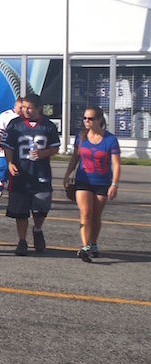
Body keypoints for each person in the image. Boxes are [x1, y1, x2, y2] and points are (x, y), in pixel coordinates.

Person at [1, 93, 60, 256]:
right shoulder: (15, 124)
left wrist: (44, 153)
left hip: (40, 172)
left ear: (39, 108)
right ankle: (22, 240)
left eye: (29, 108)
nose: (25, 111)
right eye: (23, 107)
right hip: (21, 172)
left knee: (41, 208)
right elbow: (8, 146)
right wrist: (10, 163)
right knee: (20, 211)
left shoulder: (48, 126)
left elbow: (55, 147)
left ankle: (37, 229)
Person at [62, 107, 121, 262]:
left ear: (100, 120)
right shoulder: (81, 137)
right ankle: (85, 246)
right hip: (83, 180)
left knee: (95, 215)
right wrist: (67, 174)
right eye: (85, 118)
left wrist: (114, 184)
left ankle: (93, 243)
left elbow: (116, 164)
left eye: (90, 119)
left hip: (102, 182)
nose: (86, 121)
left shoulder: (110, 139)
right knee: (86, 213)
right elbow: (75, 158)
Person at [0, 98, 23, 196]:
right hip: (7, 146)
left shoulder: (25, 118)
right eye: (20, 107)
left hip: (20, 149)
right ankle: (1, 182)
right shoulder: (5, 115)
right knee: (4, 168)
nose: (22, 110)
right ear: (15, 106)